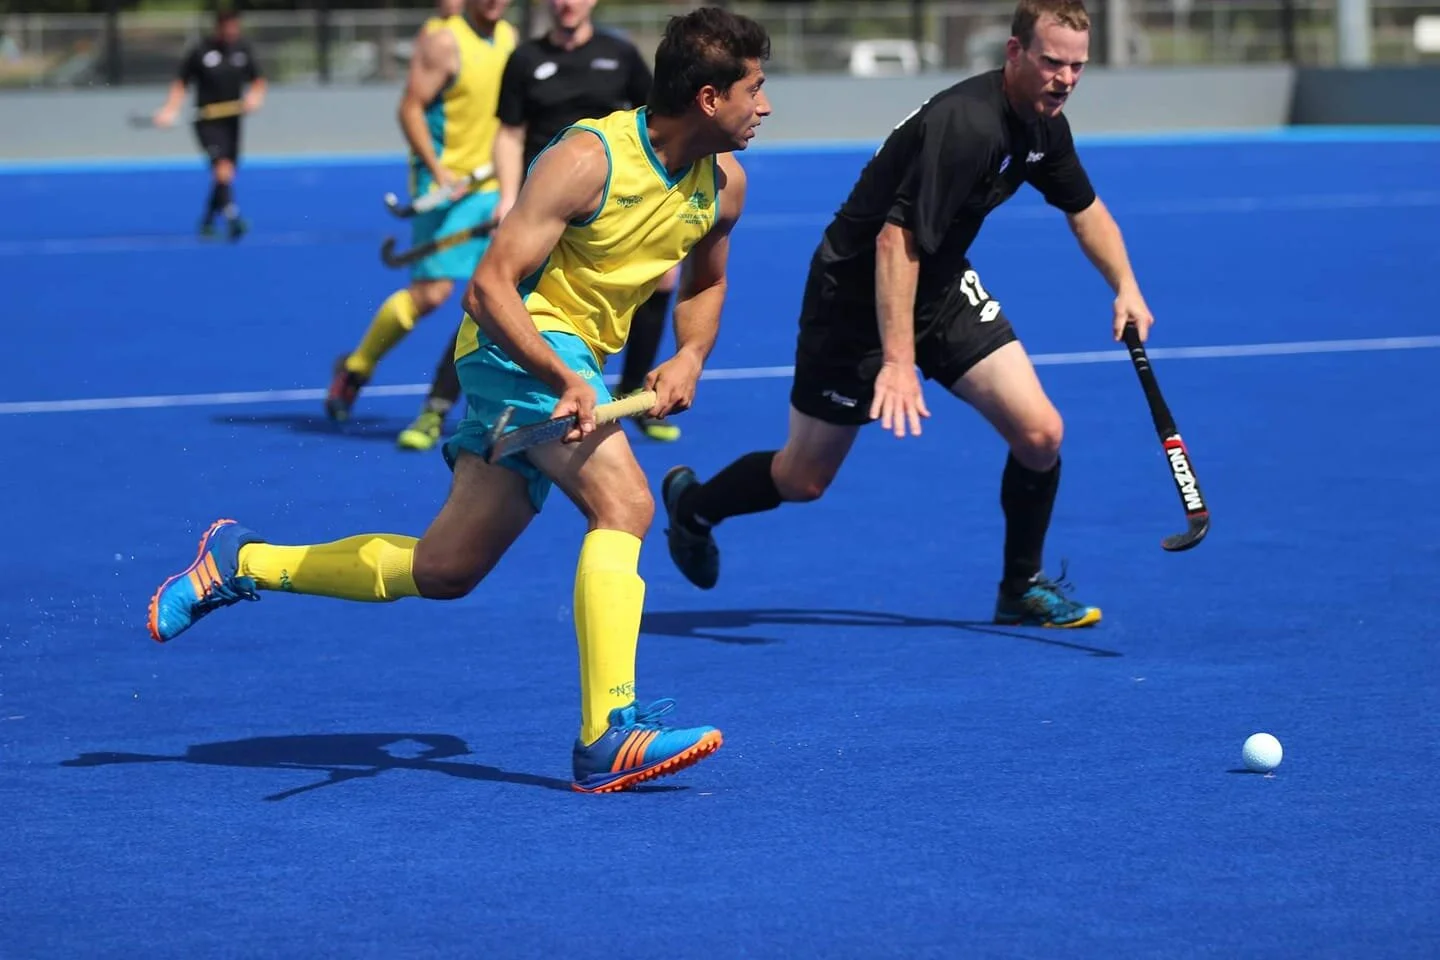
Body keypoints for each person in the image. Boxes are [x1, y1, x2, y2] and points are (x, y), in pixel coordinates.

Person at [146, 6, 772, 795]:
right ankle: (607, 733)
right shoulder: (589, 160)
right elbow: (487, 289)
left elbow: (706, 280)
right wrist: (568, 379)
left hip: (566, 367)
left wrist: (689, 353)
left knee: (446, 568)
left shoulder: (724, 185)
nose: (767, 104)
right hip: (518, 350)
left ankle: (239, 561)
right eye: (756, 87)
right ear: (710, 98)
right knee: (627, 505)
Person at [662, 0, 1155, 629]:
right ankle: (695, 507)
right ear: (1015, 54)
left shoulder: (1044, 124)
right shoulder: (969, 127)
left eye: (1077, 66)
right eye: (1052, 62)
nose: (1065, 79)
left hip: (940, 284)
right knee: (804, 478)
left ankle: (1021, 587)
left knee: (1040, 436)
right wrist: (897, 361)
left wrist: (1126, 286)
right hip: (854, 296)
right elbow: (896, 242)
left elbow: (1085, 209)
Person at [394, 0, 684, 452]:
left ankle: (631, 397)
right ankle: (435, 407)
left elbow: (651, 124)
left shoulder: (620, 54)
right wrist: (509, 197)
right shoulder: (526, 58)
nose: (567, 3)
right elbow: (509, 133)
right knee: (498, 292)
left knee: (664, 279)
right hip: (543, 206)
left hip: (610, 205)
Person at [324, 0, 516, 430]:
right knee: (431, 295)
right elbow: (409, 108)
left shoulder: (509, 37)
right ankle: (356, 367)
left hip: (493, 187)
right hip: (446, 191)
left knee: (502, 293)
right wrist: (439, 171)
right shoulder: (444, 42)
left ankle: (459, 405)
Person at [152, 7, 266, 241]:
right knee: (222, 166)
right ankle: (233, 217)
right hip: (207, 122)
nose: (232, 30)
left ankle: (206, 221)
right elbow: (181, 82)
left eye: (235, 25)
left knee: (226, 173)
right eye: (228, 26)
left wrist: (255, 98)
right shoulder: (201, 51)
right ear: (219, 27)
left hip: (232, 121)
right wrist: (170, 109)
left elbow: (258, 81)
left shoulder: (242, 49)